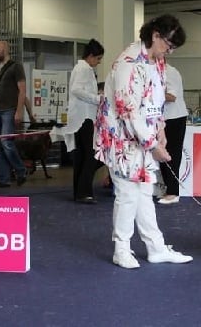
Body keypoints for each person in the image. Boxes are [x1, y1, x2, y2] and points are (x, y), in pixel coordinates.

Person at [95, 14, 193, 269]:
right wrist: (153, 145)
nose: (168, 52)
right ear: (155, 35)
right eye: (168, 45)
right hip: (121, 137)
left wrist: (160, 128)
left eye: (172, 49)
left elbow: (155, 101)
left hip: (143, 135)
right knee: (127, 194)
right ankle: (121, 249)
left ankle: (156, 247)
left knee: (145, 192)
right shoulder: (128, 63)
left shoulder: (156, 61)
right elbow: (129, 110)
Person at [58, 39, 105, 203]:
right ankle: (84, 192)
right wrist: (97, 98)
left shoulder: (80, 68)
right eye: (98, 59)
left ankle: (80, 192)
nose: (98, 62)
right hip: (84, 118)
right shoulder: (84, 69)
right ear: (91, 56)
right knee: (90, 156)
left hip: (80, 117)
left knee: (82, 156)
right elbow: (77, 90)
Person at [0, 40, 27, 188]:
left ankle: (21, 170)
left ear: (5, 49)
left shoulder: (16, 67)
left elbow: (22, 90)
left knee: (6, 143)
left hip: (9, 110)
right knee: (0, 145)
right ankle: (3, 178)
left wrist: (19, 111)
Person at [157, 64, 188, 205]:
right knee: (162, 154)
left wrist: (150, 94)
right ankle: (169, 189)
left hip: (175, 117)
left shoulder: (170, 72)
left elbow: (172, 96)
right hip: (163, 118)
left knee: (173, 155)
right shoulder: (155, 71)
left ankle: (174, 192)